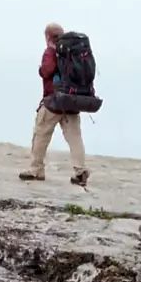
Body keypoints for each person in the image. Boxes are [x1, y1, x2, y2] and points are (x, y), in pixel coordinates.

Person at [19, 22, 90, 186]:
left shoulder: (51, 51)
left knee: (41, 134)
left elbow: (47, 71)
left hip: (53, 101)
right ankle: (80, 171)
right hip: (72, 101)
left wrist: (44, 62)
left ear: (47, 36)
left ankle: (36, 169)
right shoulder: (74, 52)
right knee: (75, 138)